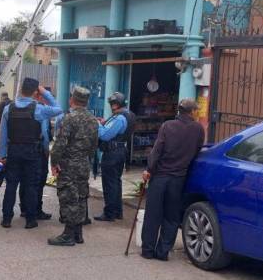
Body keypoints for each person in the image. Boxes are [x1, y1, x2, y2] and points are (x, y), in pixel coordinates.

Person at [140, 99, 205, 260]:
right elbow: (197, 151)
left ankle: (148, 250)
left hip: (160, 176)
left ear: (179, 111)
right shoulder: (198, 129)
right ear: (192, 112)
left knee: (153, 214)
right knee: (171, 216)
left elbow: (157, 151)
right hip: (178, 179)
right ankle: (163, 252)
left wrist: (149, 169)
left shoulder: (167, 126)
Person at [0, 78, 63, 229]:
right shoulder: (39, 109)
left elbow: (3, 134)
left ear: (21, 89)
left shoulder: (9, 108)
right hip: (31, 152)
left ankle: (6, 219)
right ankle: (30, 220)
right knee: (31, 186)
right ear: (35, 92)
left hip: (13, 151)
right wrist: (45, 93)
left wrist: (3, 155)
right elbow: (58, 108)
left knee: (11, 186)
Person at [48, 86, 99, 246]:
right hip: (83, 163)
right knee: (81, 196)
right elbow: (94, 145)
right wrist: (86, 160)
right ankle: (78, 233)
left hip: (69, 164)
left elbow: (60, 144)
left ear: (72, 99)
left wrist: (54, 162)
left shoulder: (69, 118)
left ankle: (68, 235)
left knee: (69, 197)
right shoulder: (93, 119)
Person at [94, 92, 136, 222]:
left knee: (109, 184)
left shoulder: (119, 118)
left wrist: (98, 124)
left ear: (115, 104)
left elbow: (105, 135)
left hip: (112, 153)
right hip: (120, 150)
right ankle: (117, 211)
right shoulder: (129, 115)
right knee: (116, 182)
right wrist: (104, 123)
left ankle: (109, 213)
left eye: (112, 103)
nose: (111, 106)